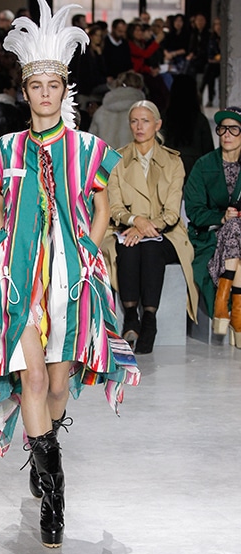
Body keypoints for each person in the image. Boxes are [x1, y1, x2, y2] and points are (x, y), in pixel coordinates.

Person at [0, 0, 140, 549]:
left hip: (71, 279)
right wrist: (2, 247)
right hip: (20, 279)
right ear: (26, 90)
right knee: (31, 378)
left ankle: (41, 445)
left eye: (54, 85)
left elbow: (102, 206)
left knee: (57, 386)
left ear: (63, 89)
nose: (45, 93)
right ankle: (54, 492)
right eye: (36, 85)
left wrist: (90, 251)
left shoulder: (88, 148)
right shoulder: (6, 148)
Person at [102, 100, 198, 354]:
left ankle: (149, 320)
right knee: (129, 248)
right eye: (134, 121)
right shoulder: (116, 160)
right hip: (124, 229)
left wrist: (145, 226)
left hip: (166, 232)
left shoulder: (173, 162)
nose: (139, 126)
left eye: (145, 121)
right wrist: (136, 221)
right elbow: (115, 206)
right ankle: (131, 317)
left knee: (151, 249)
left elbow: (172, 213)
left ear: (157, 125)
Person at [184, 106, 241, 348]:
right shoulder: (204, 165)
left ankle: (225, 301)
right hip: (209, 235)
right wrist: (221, 218)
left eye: (234, 129)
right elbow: (194, 210)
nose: (226, 134)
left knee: (236, 227)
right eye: (222, 129)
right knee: (234, 226)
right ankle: (237, 315)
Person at [162, 73, 214, 180]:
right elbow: (208, 151)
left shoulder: (163, 117)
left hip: (168, 169)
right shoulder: (200, 119)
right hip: (195, 170)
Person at [89, 70, 145, 148]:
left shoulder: (101, 111)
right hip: (132, 154)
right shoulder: (144, 112)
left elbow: (91, 142)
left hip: (107, 154)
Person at [102, 18, 133, 84]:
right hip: (110, 79)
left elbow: (128, 60)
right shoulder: (104, 43)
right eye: (120, 31)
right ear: (113, 29)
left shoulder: (124, 43)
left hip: (124, 78)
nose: (122, 34)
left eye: (124, 32)